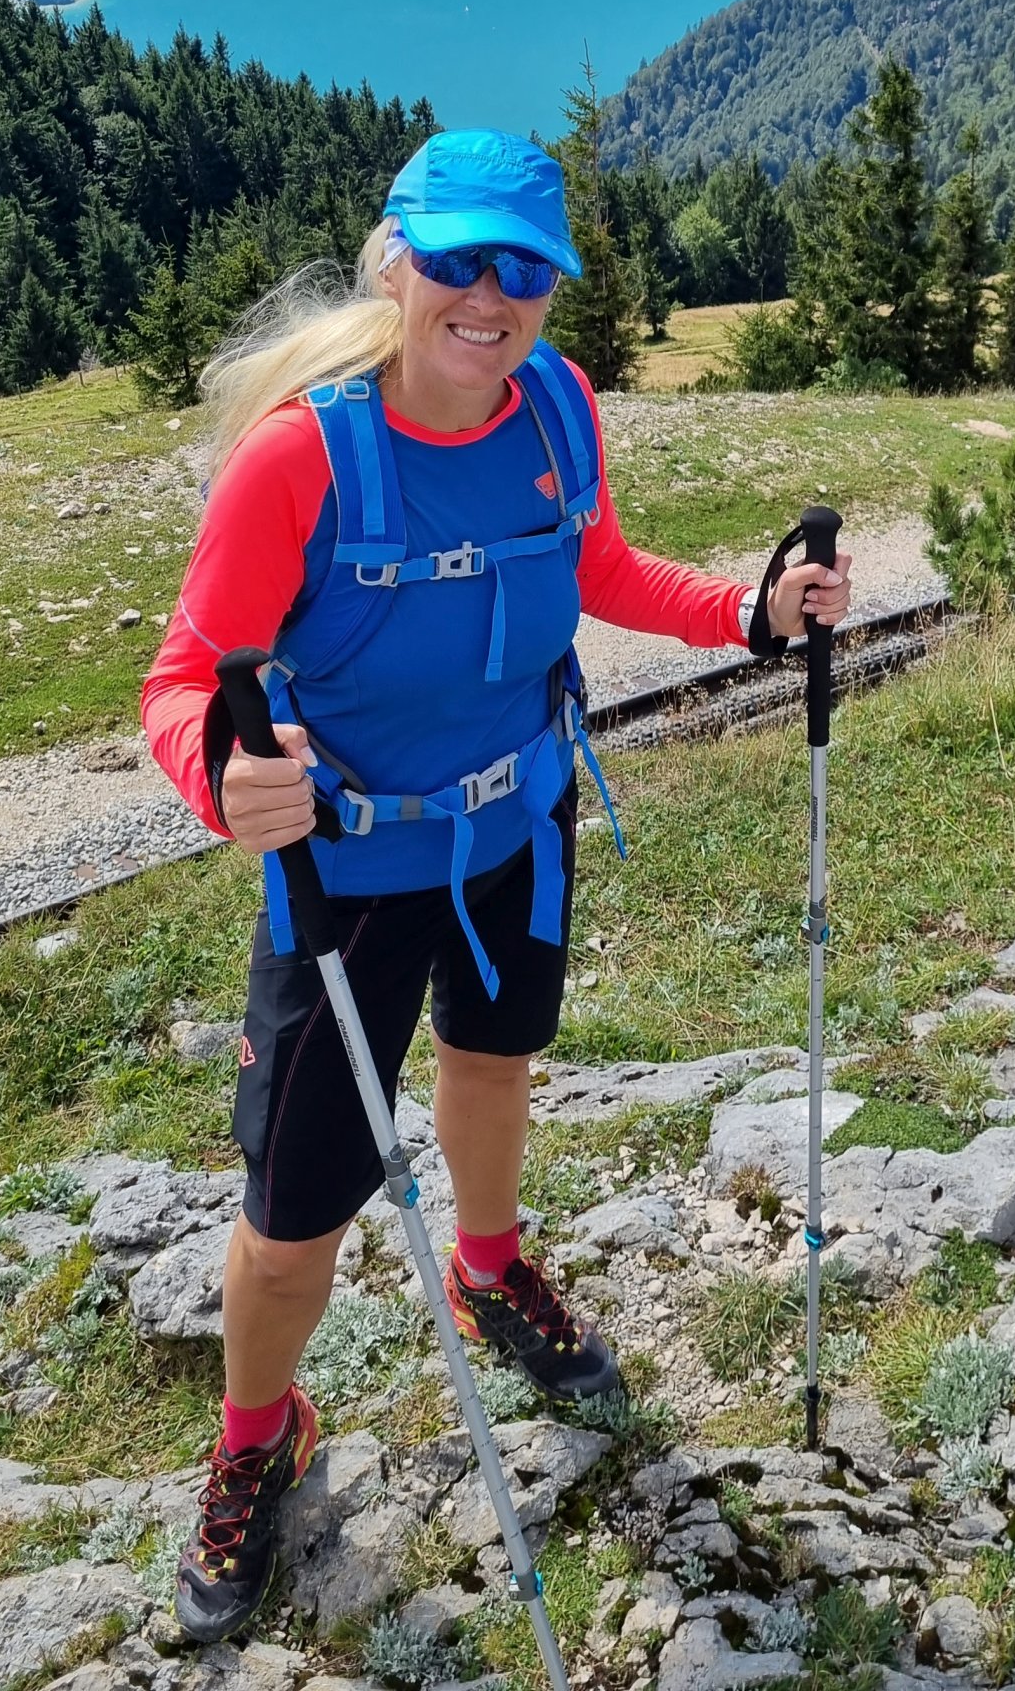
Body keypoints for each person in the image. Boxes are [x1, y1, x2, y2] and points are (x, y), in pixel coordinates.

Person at [141, 128, 852, 1643]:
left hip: (518, 826)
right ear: (399, 264)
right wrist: (222, 774)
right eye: (459, 260)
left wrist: (743, 609)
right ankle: (260, 1435)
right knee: (291, 1216)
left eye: (523, 267)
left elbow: (591, 566)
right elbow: (187, 678)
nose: (490, 294)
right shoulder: (303, 455)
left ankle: (488, 1267)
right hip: (348, 876)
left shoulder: (556, 409)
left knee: (494, 1057)